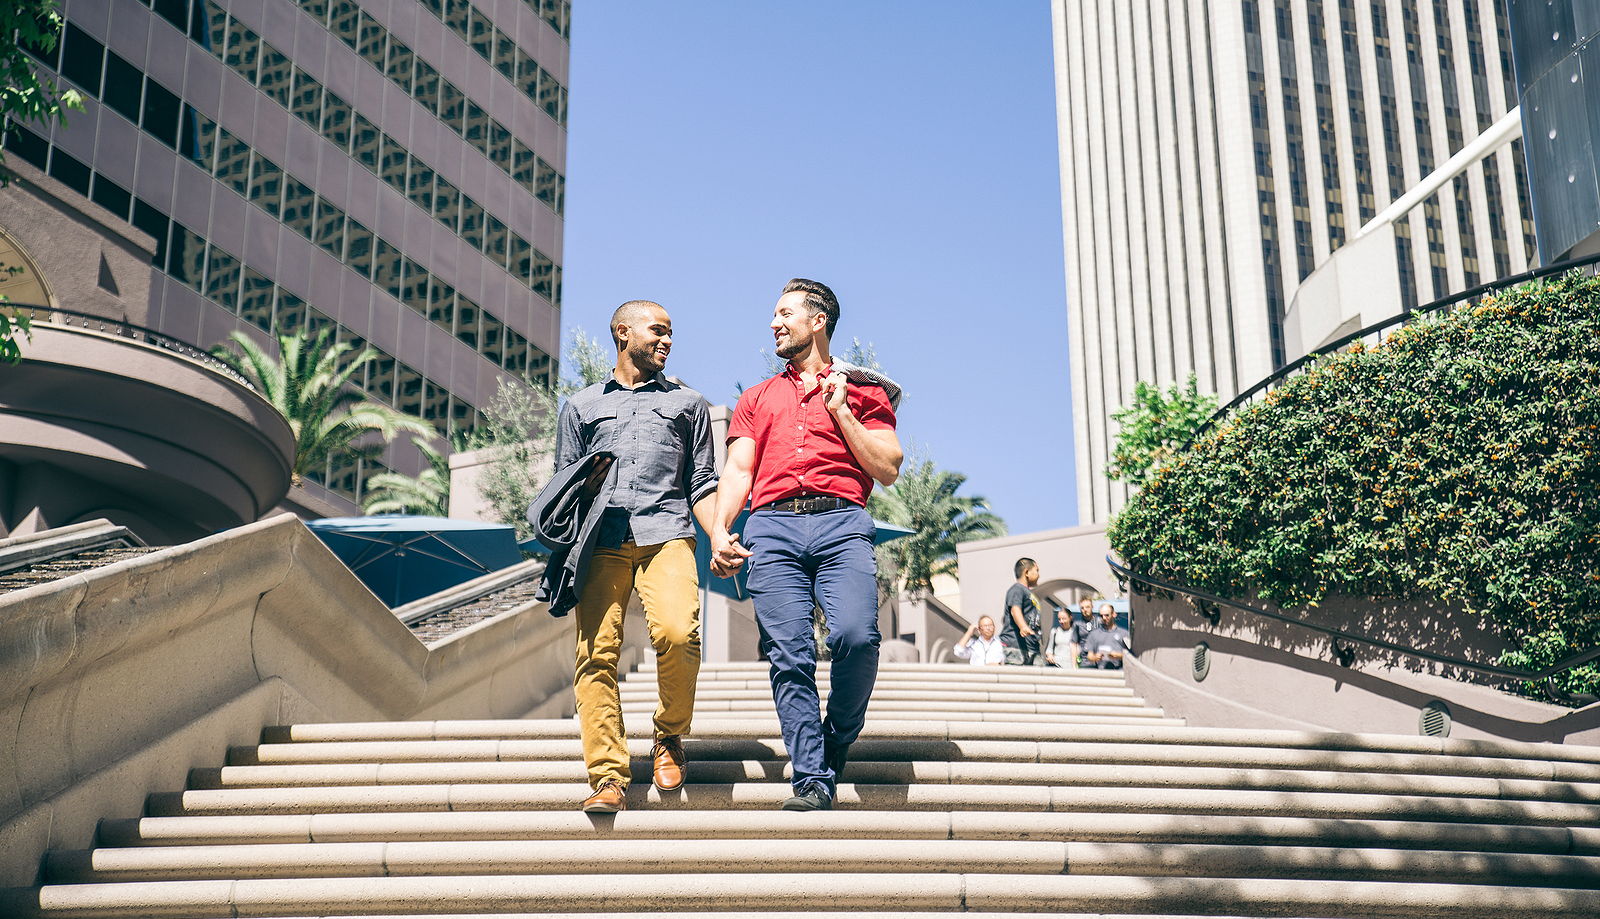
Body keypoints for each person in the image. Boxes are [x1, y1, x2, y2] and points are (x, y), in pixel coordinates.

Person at [710, 277, 903, 812]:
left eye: (785, 312)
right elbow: (739, 468)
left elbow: (887, 468)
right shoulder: (756, 398)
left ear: (818, 321)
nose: (774, 322)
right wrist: (721, 529)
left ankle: (838, 734)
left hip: (843, 522)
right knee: (789, 655)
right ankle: (812, 776)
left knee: (856, 638)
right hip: (771, 528)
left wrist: (842, 411)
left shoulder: (866, 393)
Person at [555, 300, 719, 814]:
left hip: (666, 531)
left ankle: (669, 735)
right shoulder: (580, 406)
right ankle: (607, 775)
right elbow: (563, 484)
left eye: (672, 333)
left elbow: (704, 481)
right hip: (600, 539)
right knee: (596, 655)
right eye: (658, 331)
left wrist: (721, 531)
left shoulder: (689, 404)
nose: (667, 341)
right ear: (622, 333)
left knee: (678, 633)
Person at [998, 558, 1042, 665]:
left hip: (1031, 646)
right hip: (1016, 646)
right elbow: (1015, 610)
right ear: (1026, 572)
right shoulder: (1017, 589)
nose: (1039, 575)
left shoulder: (1028, 593)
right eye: (1036, 570)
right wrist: (1023, 626)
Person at [1082, 603, 1132, 669]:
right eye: (1101, 616)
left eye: (1107, 615)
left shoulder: (1124, 634)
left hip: (1119, 672)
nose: (1104, 618)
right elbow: (1089, 656)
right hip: (1101, 672)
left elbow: (1132, 657)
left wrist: (1118, 655)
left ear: (1114, 614)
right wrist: (1095, 657)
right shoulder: (1094, 634)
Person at [1066, 597, 1097, 667]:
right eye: (1082, 608)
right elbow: (1073, 644)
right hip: (1085, 662)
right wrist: (1074, 665)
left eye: (1087, 607)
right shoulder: (1077, 624)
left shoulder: (1099, 622)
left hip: (1099, 662)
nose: (1085, 610)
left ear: (1092, 607)